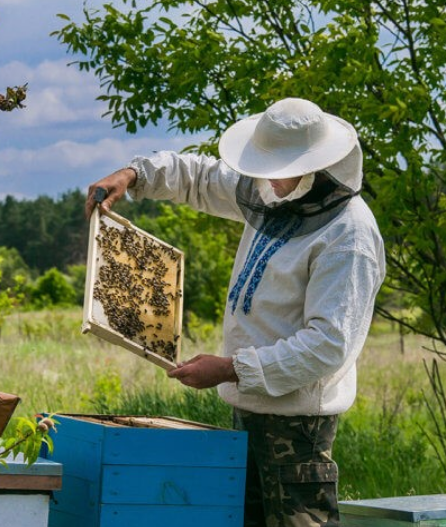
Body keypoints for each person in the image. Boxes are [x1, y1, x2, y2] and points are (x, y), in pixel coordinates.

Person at [84, 98, 386, 527]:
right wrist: (134, 175)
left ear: (315, 165)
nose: (270, 180)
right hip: (247, 412)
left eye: (282, 170)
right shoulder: (272, 193)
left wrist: (229, 369)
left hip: (299, 429)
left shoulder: (348, 235)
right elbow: (201, 178)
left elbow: (327, 346)